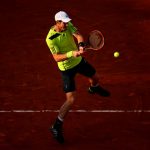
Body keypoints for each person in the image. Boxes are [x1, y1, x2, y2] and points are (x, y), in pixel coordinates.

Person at [46, 11, 110, 143]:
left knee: (96, 77)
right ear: (57, 23)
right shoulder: (50, 38)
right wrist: (71, 53)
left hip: (78, 61)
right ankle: (56, 126)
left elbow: (79, 35)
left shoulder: (68, 25)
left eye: (67, 21)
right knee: (71, 99)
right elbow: (56, 57)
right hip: (66, 68)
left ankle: (94, 88)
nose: (66, 24)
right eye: (64, 22)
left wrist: (80, 45)